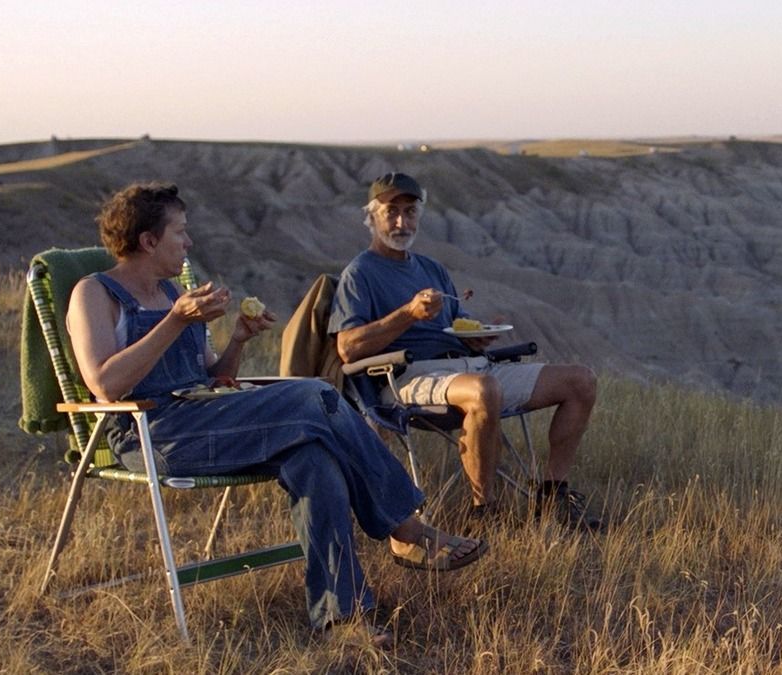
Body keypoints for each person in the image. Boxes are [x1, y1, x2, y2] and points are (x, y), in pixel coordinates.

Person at [66, 182, 486, 648]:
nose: (188, 243)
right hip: (152, 435)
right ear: (148, 241)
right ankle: (403, 526)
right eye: (180, 233)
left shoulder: (171, 295)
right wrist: (176, 322)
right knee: (313, 394)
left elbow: (213, 378)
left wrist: (238, 340)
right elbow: (104, 384)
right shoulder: (94, 294)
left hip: (207, 420)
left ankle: (341, 619)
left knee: (313, 458)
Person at [329, 172, 603, 532]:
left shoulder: (432, 269)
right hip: (406, 377)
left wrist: (477, 335)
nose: (401, 221)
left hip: (469, 366)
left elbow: (458, 324)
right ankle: (483, 513)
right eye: (391, 211)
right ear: (372, 216)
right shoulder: (360, 273)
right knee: (483, 390)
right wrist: (408, 314)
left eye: (410, 212)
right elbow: (348, 349)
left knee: (581, 380)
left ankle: (551, 497)